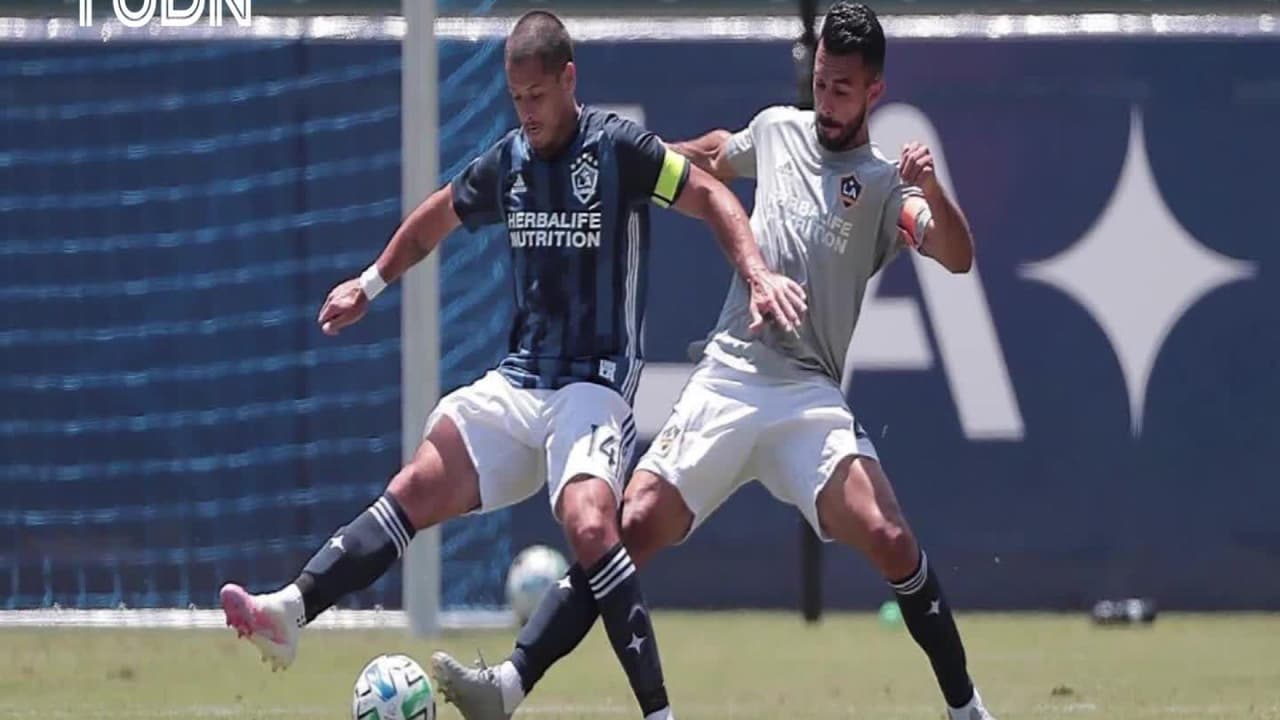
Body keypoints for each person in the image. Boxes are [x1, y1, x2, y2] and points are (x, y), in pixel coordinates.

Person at [216, 11, 805, 720]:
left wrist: (758, 273)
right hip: (520, 380)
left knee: (591, 528)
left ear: (568, 80)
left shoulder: (618, 148)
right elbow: (436, 216)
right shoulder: (510, 162)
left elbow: (710, 196)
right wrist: (369, 284)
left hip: (592, 387)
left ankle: (658, 713)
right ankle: (289, 611)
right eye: (516, 97)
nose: (526, 111)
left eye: (537, 95)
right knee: (415, 483)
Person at [430, 3, 996, 720]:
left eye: (843, 89)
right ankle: (508, 686)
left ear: (874, 91)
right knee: (630, 527)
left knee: (890, 538)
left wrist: (933, 190)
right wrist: (619, 160)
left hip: (808, 395)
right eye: (821, 83)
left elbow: (957, 255)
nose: (826, 101)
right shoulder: (779, 130)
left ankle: (967, 709)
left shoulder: (885, 186)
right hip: (728, 376)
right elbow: (706, 157)